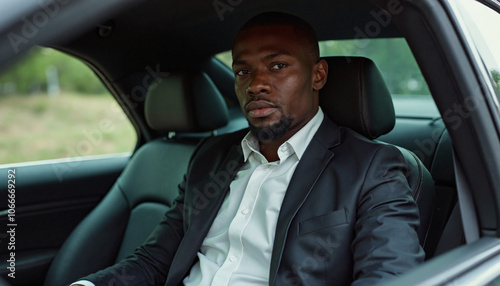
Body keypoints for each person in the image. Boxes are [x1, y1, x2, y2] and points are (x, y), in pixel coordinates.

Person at [72, 11, 423, 286]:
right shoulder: (210, 158)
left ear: (317, 76)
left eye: (277, 66)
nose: (256, 84)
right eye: (242, 71)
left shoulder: (373, 168)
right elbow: (157, 259)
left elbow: (390, 275)